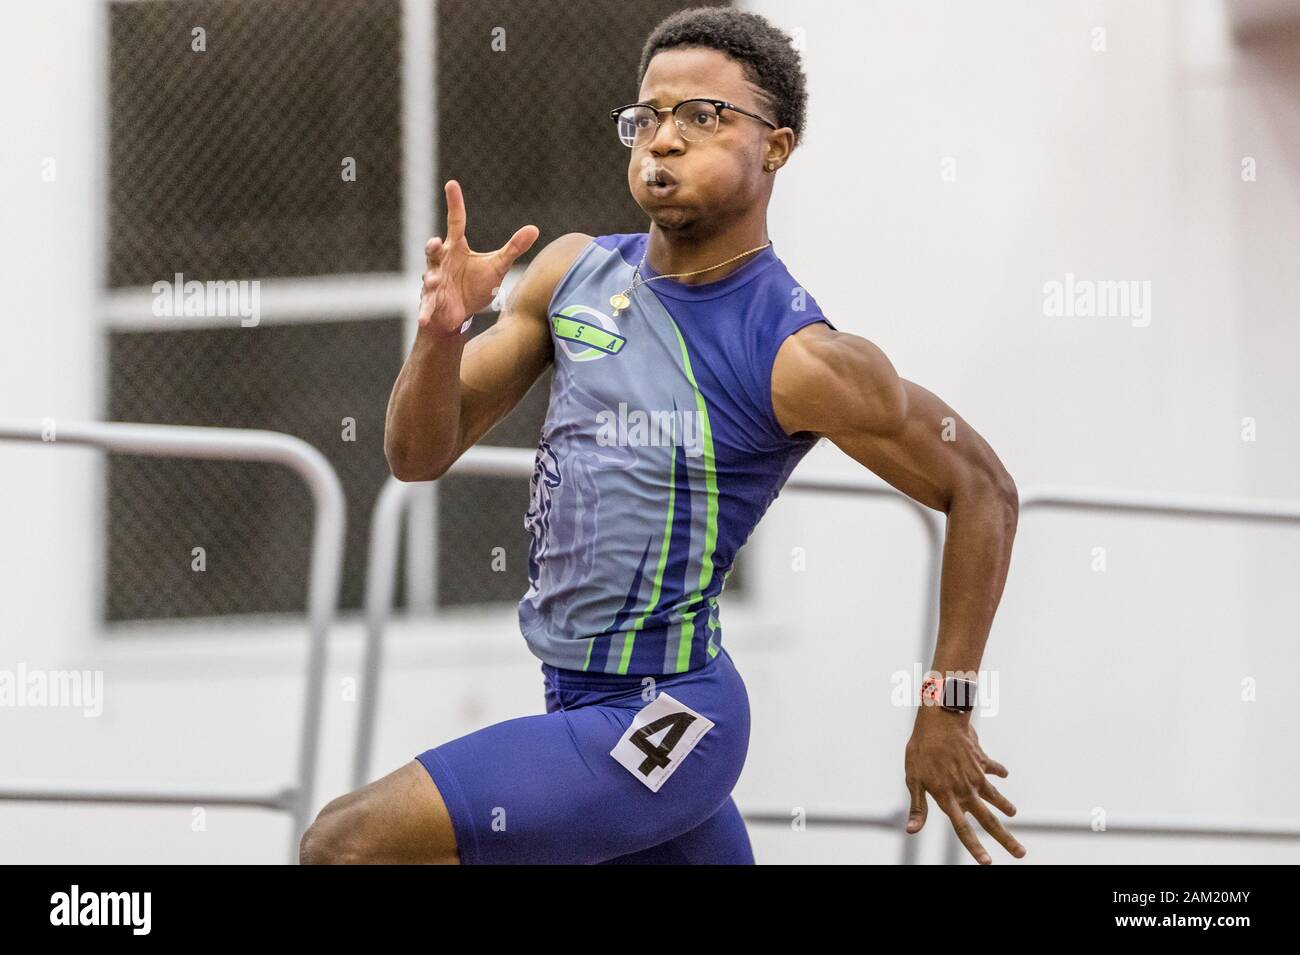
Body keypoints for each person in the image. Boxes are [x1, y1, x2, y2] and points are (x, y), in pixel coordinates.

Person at [300, 6, 1024, 865]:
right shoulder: (573, 273)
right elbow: (417, 455)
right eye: (647, 116)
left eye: (701, 116)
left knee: (343, 845)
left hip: (673, 712)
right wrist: (440, 334)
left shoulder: (797, 356)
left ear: (776, 147)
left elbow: (983, 488)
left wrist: (947, 703)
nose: (663, 139)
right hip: (571, 697)